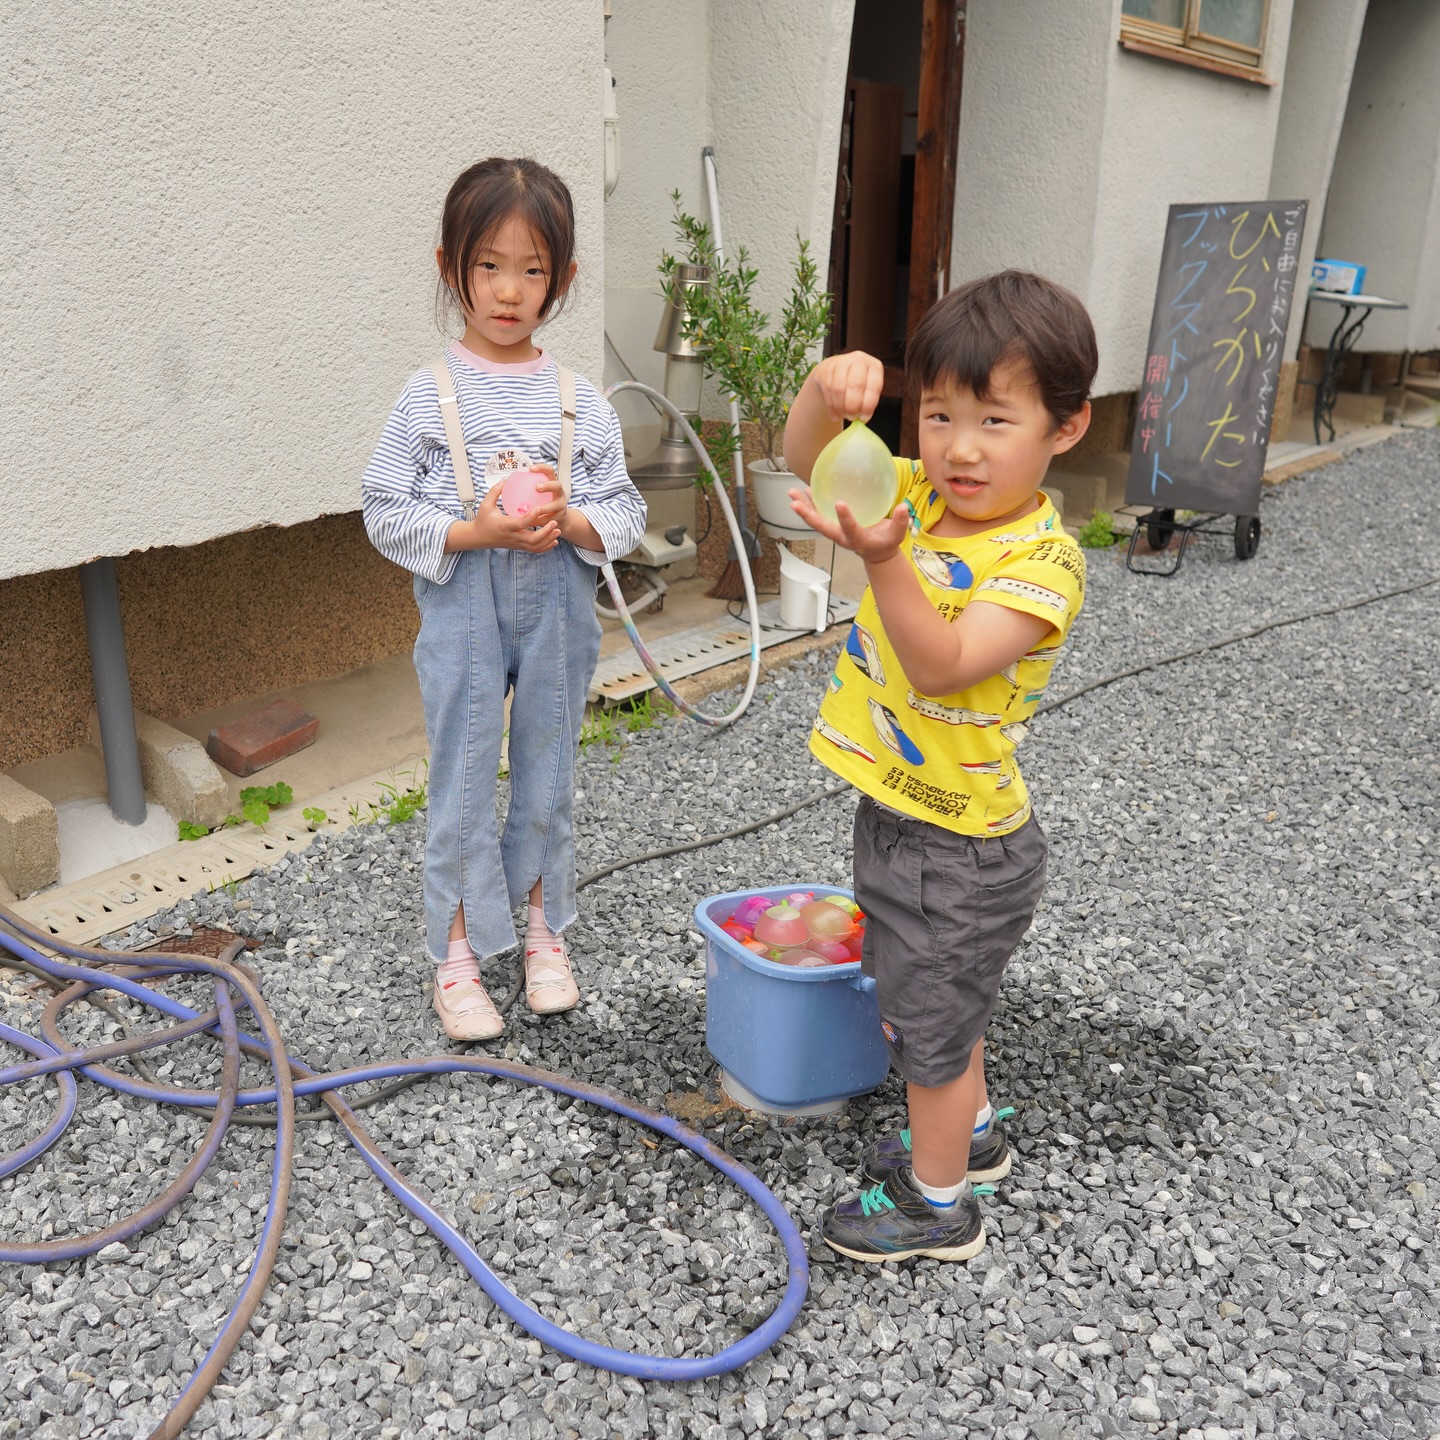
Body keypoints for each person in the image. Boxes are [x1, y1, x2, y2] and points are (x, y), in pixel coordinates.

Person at [784, 270, 1097, 1262]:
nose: (960, 447)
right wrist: (823, 391)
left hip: (962, 848)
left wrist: (883, 559)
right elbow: (804, 464)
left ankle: (938, 1205)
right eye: (939, 414)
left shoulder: (1043, 562)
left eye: (995, 420)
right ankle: (975, 1135)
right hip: (907, 817)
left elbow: (944, 663)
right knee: (938, 1004)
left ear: (1066, 427)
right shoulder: (916, 490)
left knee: (930, 1033)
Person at [362, 158, 646, 1042]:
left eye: (532, 270)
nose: (510, 291)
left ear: (562, 279)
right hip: (464, 600)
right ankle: (455, 952)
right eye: (489, 266)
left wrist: (576, 521)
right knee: (461, 772)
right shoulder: (428, 394)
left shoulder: (579, 400)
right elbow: (382, 506)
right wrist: (473, 531)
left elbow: (627, 510)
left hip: (558, 601)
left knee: (548, 768)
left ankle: (541, 929)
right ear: (451, 267)